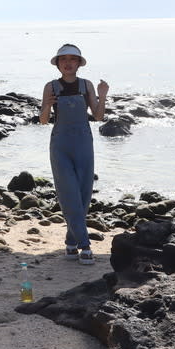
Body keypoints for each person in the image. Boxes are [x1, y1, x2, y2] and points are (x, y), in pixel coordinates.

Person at [39, 44, 108, 265]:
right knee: (68, 192)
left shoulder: (86, 85)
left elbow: (97, 117)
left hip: (84, 143)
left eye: (73, 59)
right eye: (63, 59)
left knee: (84, 193)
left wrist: (103, 95)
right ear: (58, 63)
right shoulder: (50, 86)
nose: (68, 63)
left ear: (79, 63)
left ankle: (70, 242)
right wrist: (47, 106)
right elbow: (42, 120)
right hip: (60, 143)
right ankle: (85, 245)